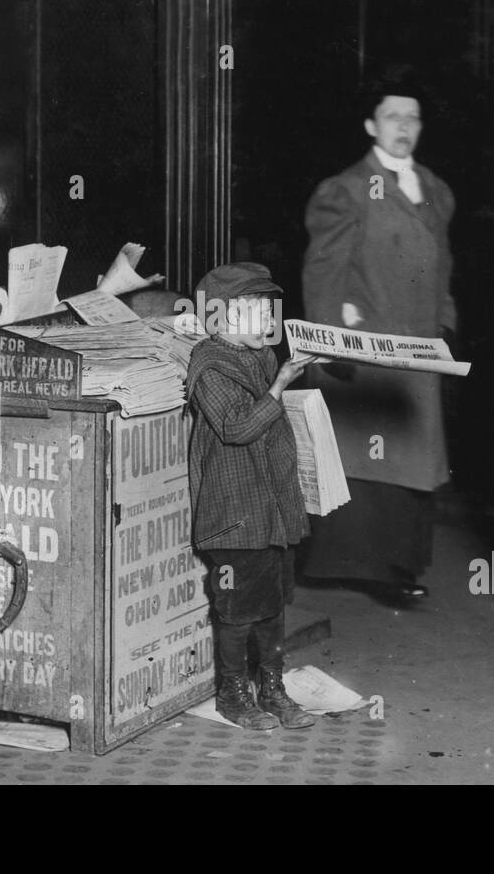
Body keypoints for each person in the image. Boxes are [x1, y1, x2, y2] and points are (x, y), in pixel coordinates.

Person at [300, 66, 457, 604]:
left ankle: (397, 566)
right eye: (393, 116)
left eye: (413, 117)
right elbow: (323, 271)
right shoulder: (345, 190)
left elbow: (443, 268)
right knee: (369, 459)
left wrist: (447, 324)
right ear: (371, 125)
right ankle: (365, 570)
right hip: (365, 348)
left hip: (419, 349)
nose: (404, 127)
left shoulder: (435, 190)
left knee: (410, 459)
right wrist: (330, 341)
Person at [184, 262, 317, 731]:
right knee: (238, 609)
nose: (269, 320)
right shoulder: (210, 364)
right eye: (256, 310)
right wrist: (281, 385)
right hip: (234, 514)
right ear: (220, 318)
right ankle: (233, 694)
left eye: (270, 308)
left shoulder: (259, 355)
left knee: (273, 603)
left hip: (271, 510)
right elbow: (238, 427)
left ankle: (273, 688)